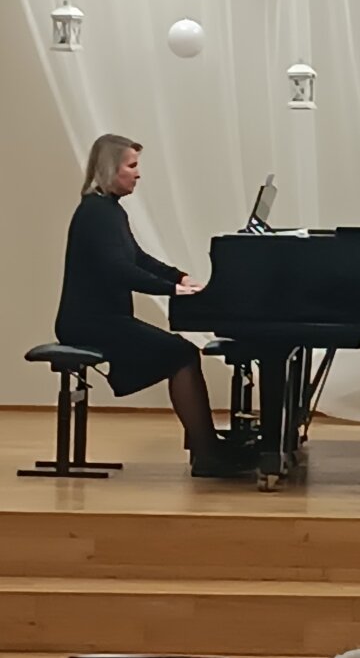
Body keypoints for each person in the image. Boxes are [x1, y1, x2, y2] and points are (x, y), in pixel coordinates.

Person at [54, 133, 249, 478]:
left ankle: (207, 447)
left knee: (182, 352)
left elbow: (137, 258)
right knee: (182, 354)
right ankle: (207, 453)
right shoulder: (95, 212)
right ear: (111, 168)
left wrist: (179, 276)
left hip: (104, 319)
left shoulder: (109, 210)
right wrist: (171, 289)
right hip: (89, 322)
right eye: (132, 165)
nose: (138, 173)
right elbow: (118, 270)